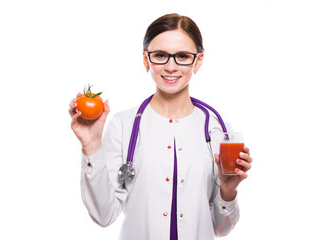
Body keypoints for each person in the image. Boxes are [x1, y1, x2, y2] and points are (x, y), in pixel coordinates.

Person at [68, 13, 252, 240]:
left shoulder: (218, 130)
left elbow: (221, 228)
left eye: (183, 56)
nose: (171, 67)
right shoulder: (123, 125)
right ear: (146, 59)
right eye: (160, 56)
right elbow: (104, 215)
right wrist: (91, 145)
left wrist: (228, 191)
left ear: (199, 60)